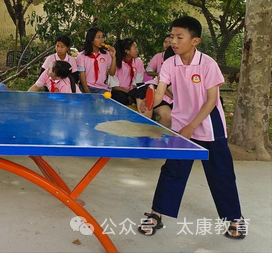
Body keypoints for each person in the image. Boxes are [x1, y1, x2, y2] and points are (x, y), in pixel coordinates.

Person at [137, 16, 246, 239]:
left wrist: (191, 127)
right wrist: (150, 102)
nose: (173, 41)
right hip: (181, 122)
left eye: (179, 37)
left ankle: (235, 218)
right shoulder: (169, 63)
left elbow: (211, 101)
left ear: (195, 41)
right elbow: (160, 91)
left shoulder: (208, 64)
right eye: (171, 36)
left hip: (208, 124)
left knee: (221, 173)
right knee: (172, 170)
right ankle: (156, 214)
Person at [76, 27, 116, 94]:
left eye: (102, 37)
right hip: (86, 87)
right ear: (91, 39)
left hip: (102, 88)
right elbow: (82, 76)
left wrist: (114, 57)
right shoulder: (82, 55)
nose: (101, 40)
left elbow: (112, 73)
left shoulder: (107, 54)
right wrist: (88, 92)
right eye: (98, 37)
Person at [108, 38, 146, 105]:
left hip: (133, 91)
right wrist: (129, 93)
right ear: (127, 51)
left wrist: (132, 94)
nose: (137, 50)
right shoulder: (116, 62)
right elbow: (114, 86)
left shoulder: (139, 62)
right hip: (120, 91)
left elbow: (138, 82)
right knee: (120, 97)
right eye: (135, 49)